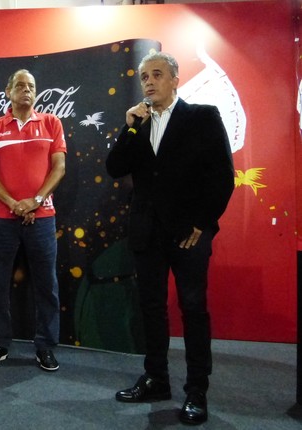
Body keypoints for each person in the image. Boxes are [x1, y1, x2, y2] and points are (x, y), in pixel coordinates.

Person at [106, 52, 234, 425]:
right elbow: (115, 168)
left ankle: (197, 390)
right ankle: (156, 379)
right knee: (151, 309)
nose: (149, 82)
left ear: (175, 79)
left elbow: (222, 176)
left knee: (193, 310)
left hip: (189, 234)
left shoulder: (202, 117)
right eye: (145, 76)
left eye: (157, 74)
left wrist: (203, 221)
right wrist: (130, 126)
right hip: (147, 233)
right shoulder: (138, 123)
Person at [0, 69, 66, 371]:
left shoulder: (52, 123)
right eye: (20, 85)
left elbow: (59, 168)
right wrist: (14, 204)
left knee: (46, 285)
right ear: (8, 91)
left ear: (36, 93)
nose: (26, 90)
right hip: (3, 218)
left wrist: (36, 201)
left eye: (31, 86)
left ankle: (45, 347)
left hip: (42, 218)